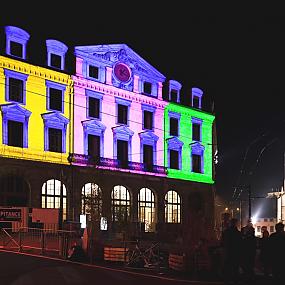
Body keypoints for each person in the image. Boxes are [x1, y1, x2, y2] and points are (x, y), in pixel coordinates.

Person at [221, 218, 242, 285]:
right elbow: (240, 244)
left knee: (227, 268)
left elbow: (222, 243)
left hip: (228, 253)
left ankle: (226, 281)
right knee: (235, 269)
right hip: (236, 253)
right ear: (236, 223)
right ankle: (235, 281)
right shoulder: (238, 233)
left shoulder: (226, 232)